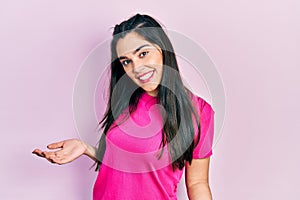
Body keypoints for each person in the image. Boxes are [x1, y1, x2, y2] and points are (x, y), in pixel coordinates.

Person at [32, 13, 215, 200]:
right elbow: (126, 164)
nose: (136, 68)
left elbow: (197, 183)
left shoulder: (199, 112)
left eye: (143, 54)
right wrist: (85, 148)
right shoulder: (125, 101)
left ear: (163, 49)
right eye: (127, 61)